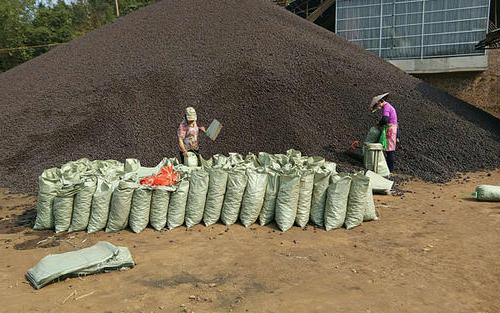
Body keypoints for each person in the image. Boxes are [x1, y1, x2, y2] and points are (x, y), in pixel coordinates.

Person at [370, 93, 398, 172]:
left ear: (380, 101)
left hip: (390, 129)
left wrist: (379, 124)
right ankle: (388, 168)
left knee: (390, 150)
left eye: (377, 104)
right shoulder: (388, 106)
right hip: (392, 128)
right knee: (388, 149)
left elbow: (385, 119)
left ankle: (390, 170)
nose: (378, 107)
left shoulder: (386, 107)